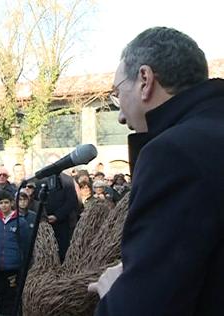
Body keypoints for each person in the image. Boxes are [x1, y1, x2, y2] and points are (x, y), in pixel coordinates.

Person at [89, 27, 224, 315]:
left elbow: (144, 307)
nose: (122, 116)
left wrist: (117, 290)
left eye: (117, 94)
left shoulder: (173, 153)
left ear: (145, 80)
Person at [0, 190, 29, 316]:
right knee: (0, 294)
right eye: (1, 203)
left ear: (11, 203)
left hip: (13, 266)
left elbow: (25, 243)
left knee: (12, 295)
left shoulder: (20, 222)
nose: (4, 205)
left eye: (6, 202)